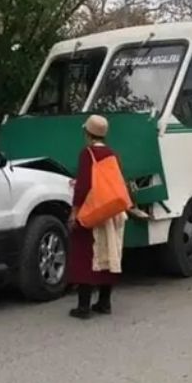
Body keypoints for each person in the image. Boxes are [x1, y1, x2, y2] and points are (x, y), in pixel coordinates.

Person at [67, 114, 128, 319]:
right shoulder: (113, 154)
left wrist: (75, 212)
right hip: (112, 210)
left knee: (85, 255)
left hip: (93, 211)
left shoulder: (88, 154)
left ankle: (83, 306)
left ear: (87, 133)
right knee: (110, 252)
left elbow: (84, 186)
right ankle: (104, 302)